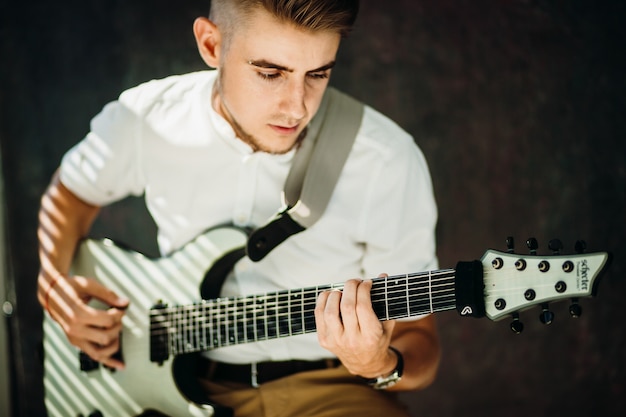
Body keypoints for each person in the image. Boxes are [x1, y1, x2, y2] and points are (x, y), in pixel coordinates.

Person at [37, 0, 441, 416]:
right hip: (183, 384)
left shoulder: (387, 158)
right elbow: (68, 195)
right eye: (270, 73)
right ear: (211, 45)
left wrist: (379, 363)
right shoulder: (145, 119)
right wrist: (53, 285)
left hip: (334, 387)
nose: (297, 106)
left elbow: (420, 339)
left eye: (318, 74)